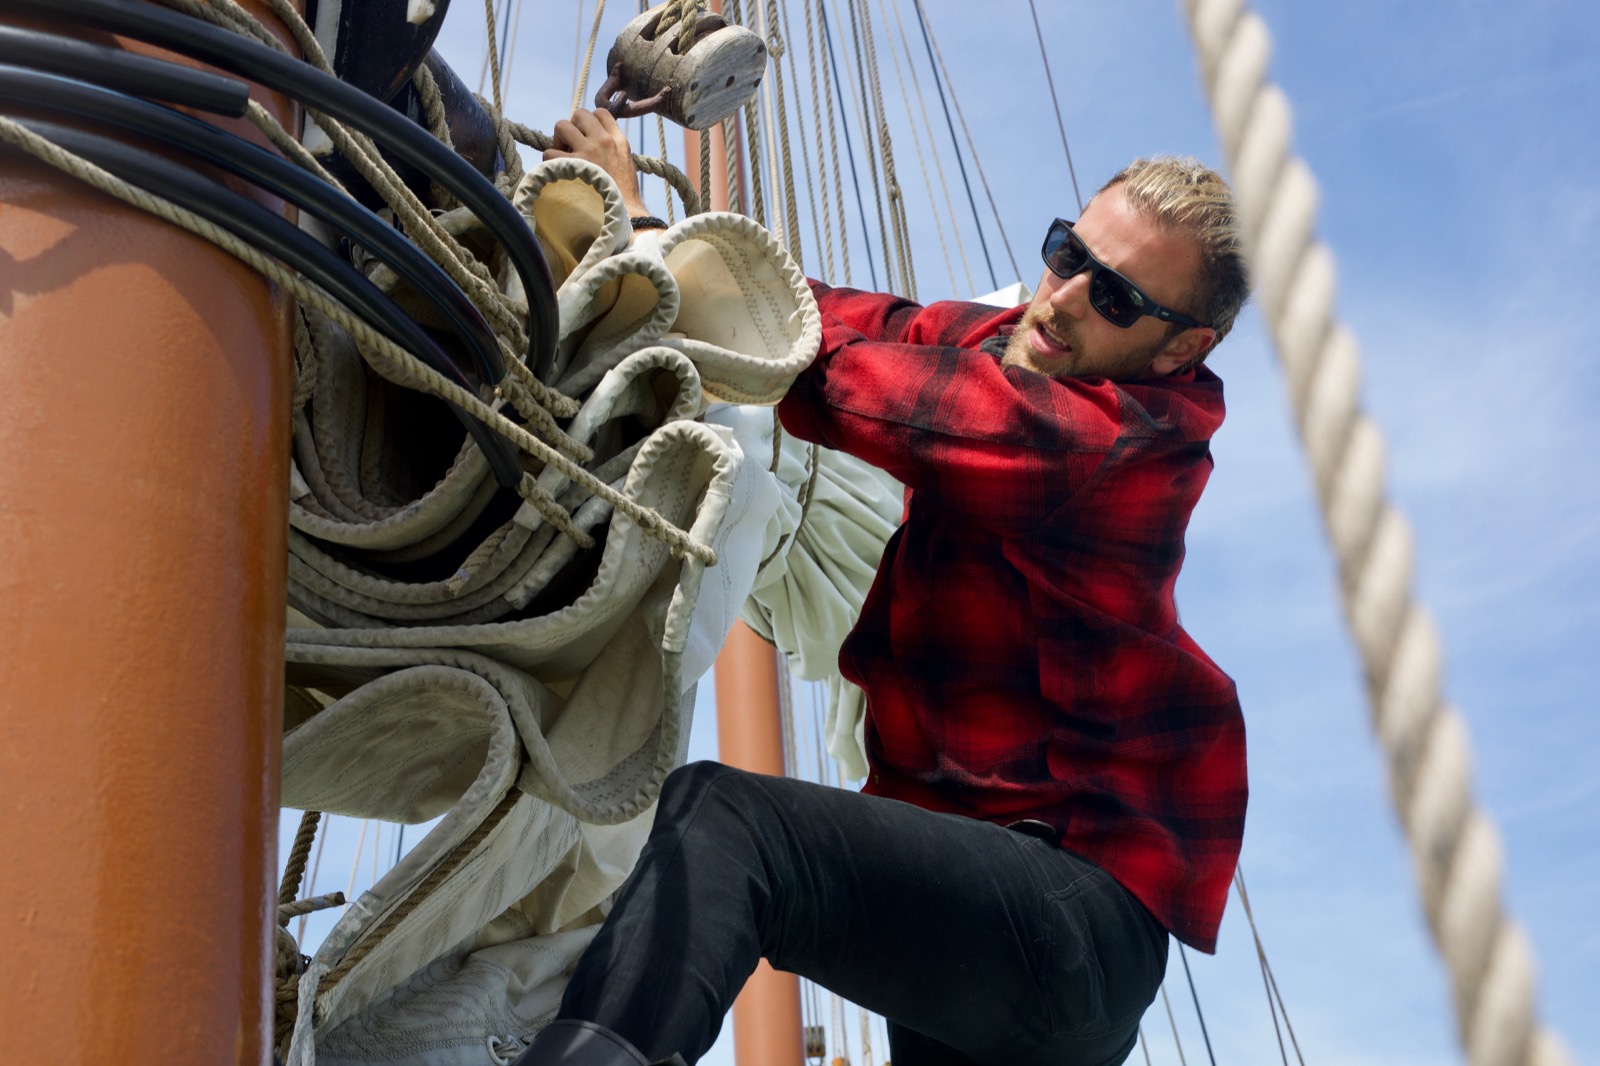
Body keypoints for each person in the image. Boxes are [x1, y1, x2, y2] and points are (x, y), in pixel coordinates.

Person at [516, 108, 1250, 1066]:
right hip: (973, 902)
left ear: (1178, 349)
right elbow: (814, 319)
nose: (1064, 298)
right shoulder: (1006, 341)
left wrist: (652, 241)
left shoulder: (1116, 444)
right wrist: (660, 239)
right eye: (1067, 254)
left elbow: (855, 388)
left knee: (726, 825)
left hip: (1073, 918)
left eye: (1113, 297)